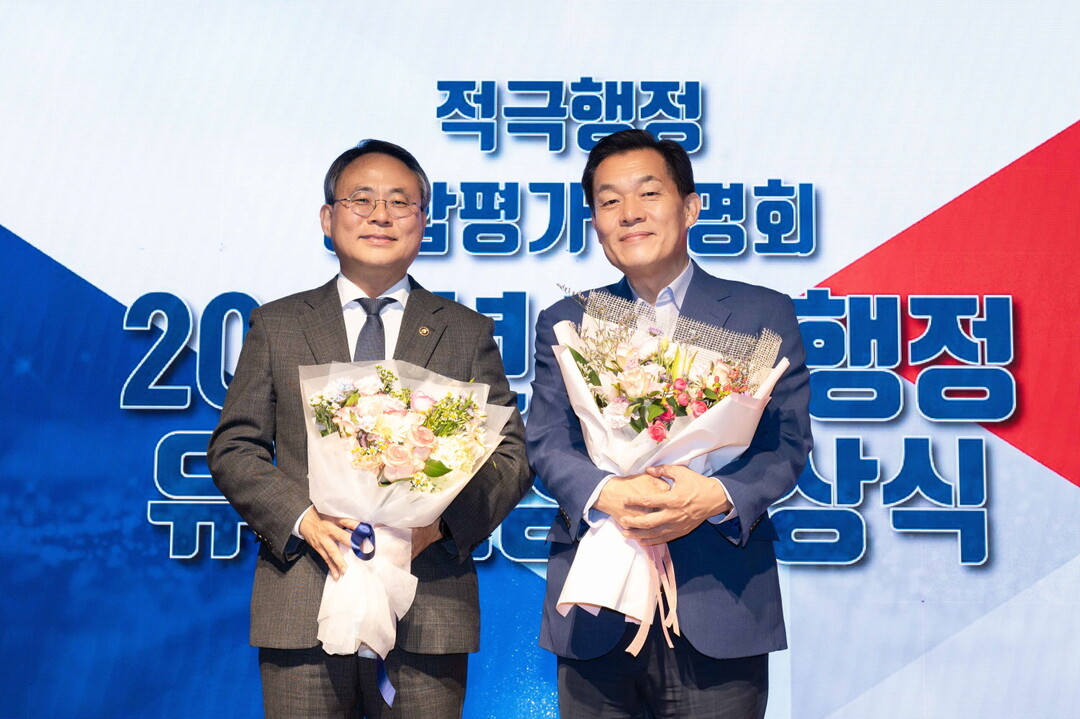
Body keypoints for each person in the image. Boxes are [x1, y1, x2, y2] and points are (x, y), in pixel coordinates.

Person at [208, 139, 532, 719]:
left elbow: (509, 455)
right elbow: (236, 446)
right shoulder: (278, 325)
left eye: (400, 202)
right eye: (361, 200)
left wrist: (440, 527)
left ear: (423, 222)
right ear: (327, 219)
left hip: (427, 602)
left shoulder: (465, 332)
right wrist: (303, 520)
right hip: (303, 594)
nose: (381, 215)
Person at [527, 129, 812, 718]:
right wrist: (607, 493)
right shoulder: (570, 319)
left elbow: (785, 445)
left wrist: (716, 496)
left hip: (721, 595)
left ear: (690, 207)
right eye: (609, 201)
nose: (629, 213)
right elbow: (548, 440)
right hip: (596, 602)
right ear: (596, 224)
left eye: (648, 193)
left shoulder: (760, 313)